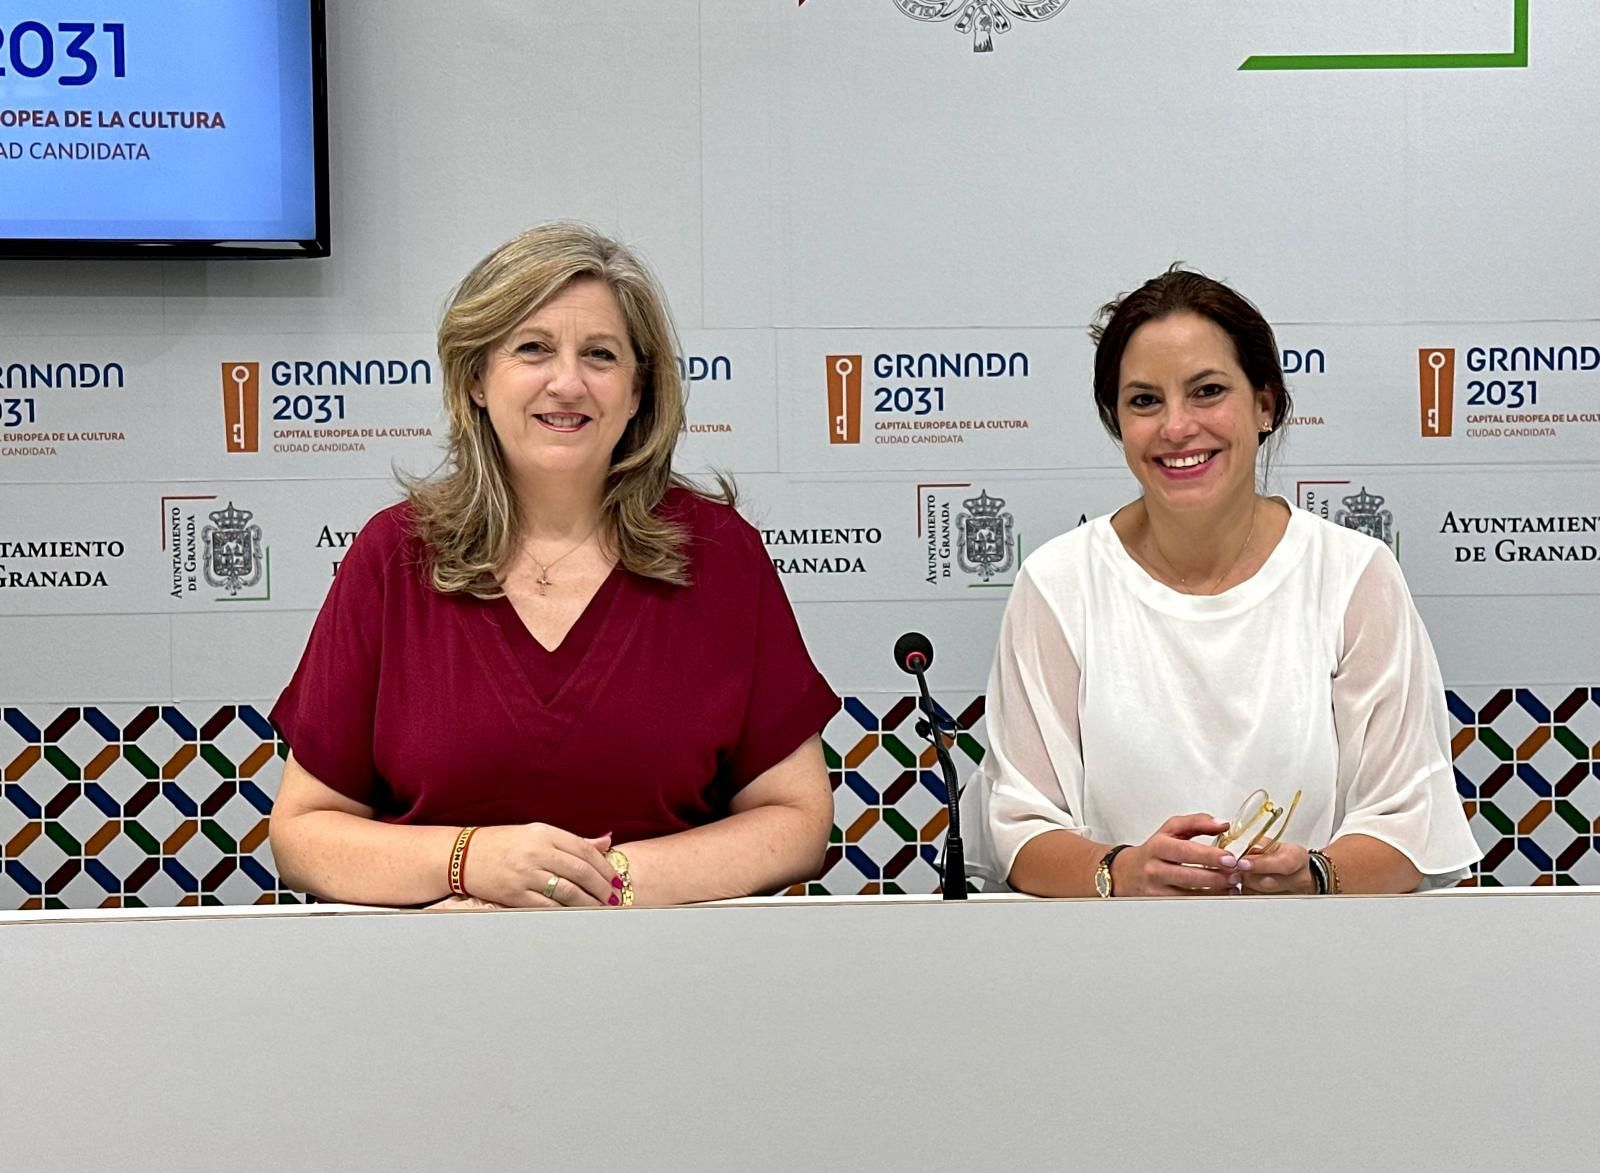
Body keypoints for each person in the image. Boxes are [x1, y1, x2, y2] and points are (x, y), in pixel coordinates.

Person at [268, 222, 838, 908]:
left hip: (673, 982)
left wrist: (601, 885)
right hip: (434, 986)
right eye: (534, 349)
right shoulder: (394, 555)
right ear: (476, 378)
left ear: (636, 391)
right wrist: (470, 860)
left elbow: (797, 820)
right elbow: (302, 834)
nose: (567, 383)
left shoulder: (719, 555)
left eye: (600, 355)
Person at [968, 267, 1480, 897]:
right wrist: (1123, 873)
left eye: (1207, 391)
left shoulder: (1354, 574)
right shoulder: (1056, 583)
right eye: (1145, 400)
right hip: (1106, 971)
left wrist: (1314, 876)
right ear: (1116, 421)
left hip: (1325, 969)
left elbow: (1409, 825)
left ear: (1265, 404)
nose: (1177, 427)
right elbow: (1020, 827)